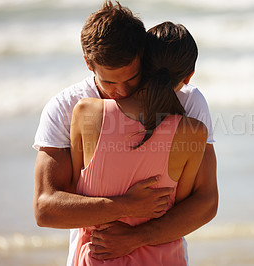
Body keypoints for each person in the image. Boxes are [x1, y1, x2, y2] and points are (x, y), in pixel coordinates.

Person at [33, 1, 218, 264]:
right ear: (89, 63)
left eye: (131, 79)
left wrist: (136, 236)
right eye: (108, 81)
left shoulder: (189, 102)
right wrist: (126, 205)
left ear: (142, 58)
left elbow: (206, 202)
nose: (119, 91)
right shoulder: (66, 107)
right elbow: (46, 209)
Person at [70, 21, 207, 265]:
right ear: (188, 77)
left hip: (98, 256)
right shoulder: (194, 132)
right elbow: (180, 206)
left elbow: (74, 191)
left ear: (141, 65)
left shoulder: (85, 112)